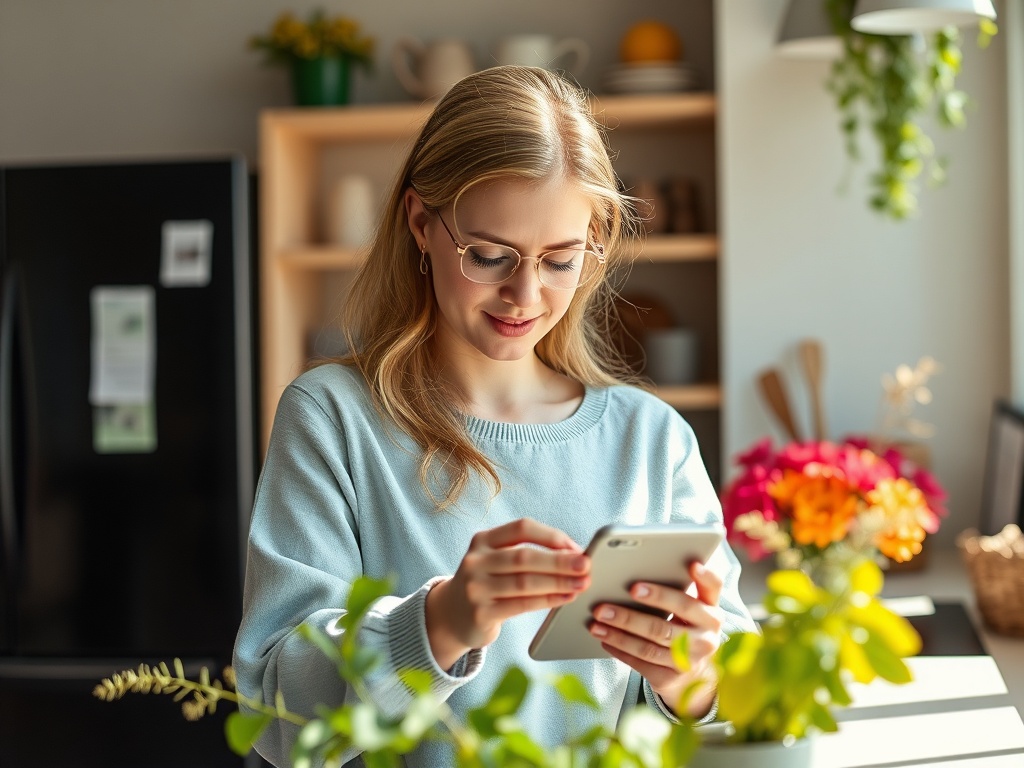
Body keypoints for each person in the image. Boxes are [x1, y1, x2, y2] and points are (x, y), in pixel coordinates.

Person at [233, 65, 755, 767]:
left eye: (561, 260)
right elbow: (275, 712)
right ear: (421, 222)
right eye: (488, 255)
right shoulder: (334, 420)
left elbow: (745, 701)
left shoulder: (651, 440)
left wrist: (692, 682)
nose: (524, 294)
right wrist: (436, 625)